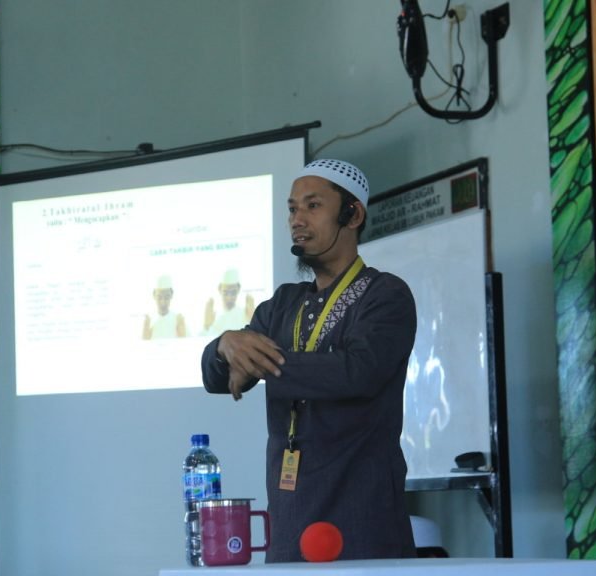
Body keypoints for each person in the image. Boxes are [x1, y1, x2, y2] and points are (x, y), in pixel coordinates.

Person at [200, 159, 417, 562]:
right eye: (292, 208)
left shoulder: (385, 294)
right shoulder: (283, 304)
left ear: (352, 215)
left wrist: (263, 360)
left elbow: (357, 372)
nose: (297, 220)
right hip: (290, 513)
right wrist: (224, 345)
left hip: (361, 516)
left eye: (313, 206)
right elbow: (218, 377)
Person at [202, 268, 256, 336]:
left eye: (233, 293)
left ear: (238, 289)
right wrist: (206, 326)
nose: (229, 298)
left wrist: (253, 321)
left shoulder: (245, 315)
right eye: (225, 293)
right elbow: (203, 338)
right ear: (219, 289)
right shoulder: (213, 317)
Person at [142, 274, 187, 339]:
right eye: (159, 297)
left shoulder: (179, 320)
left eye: (166, 297)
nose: (163, 302)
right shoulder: (148, 322)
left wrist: (182, 338)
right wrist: (145, 340)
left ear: (171, 295)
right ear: (154, 295)